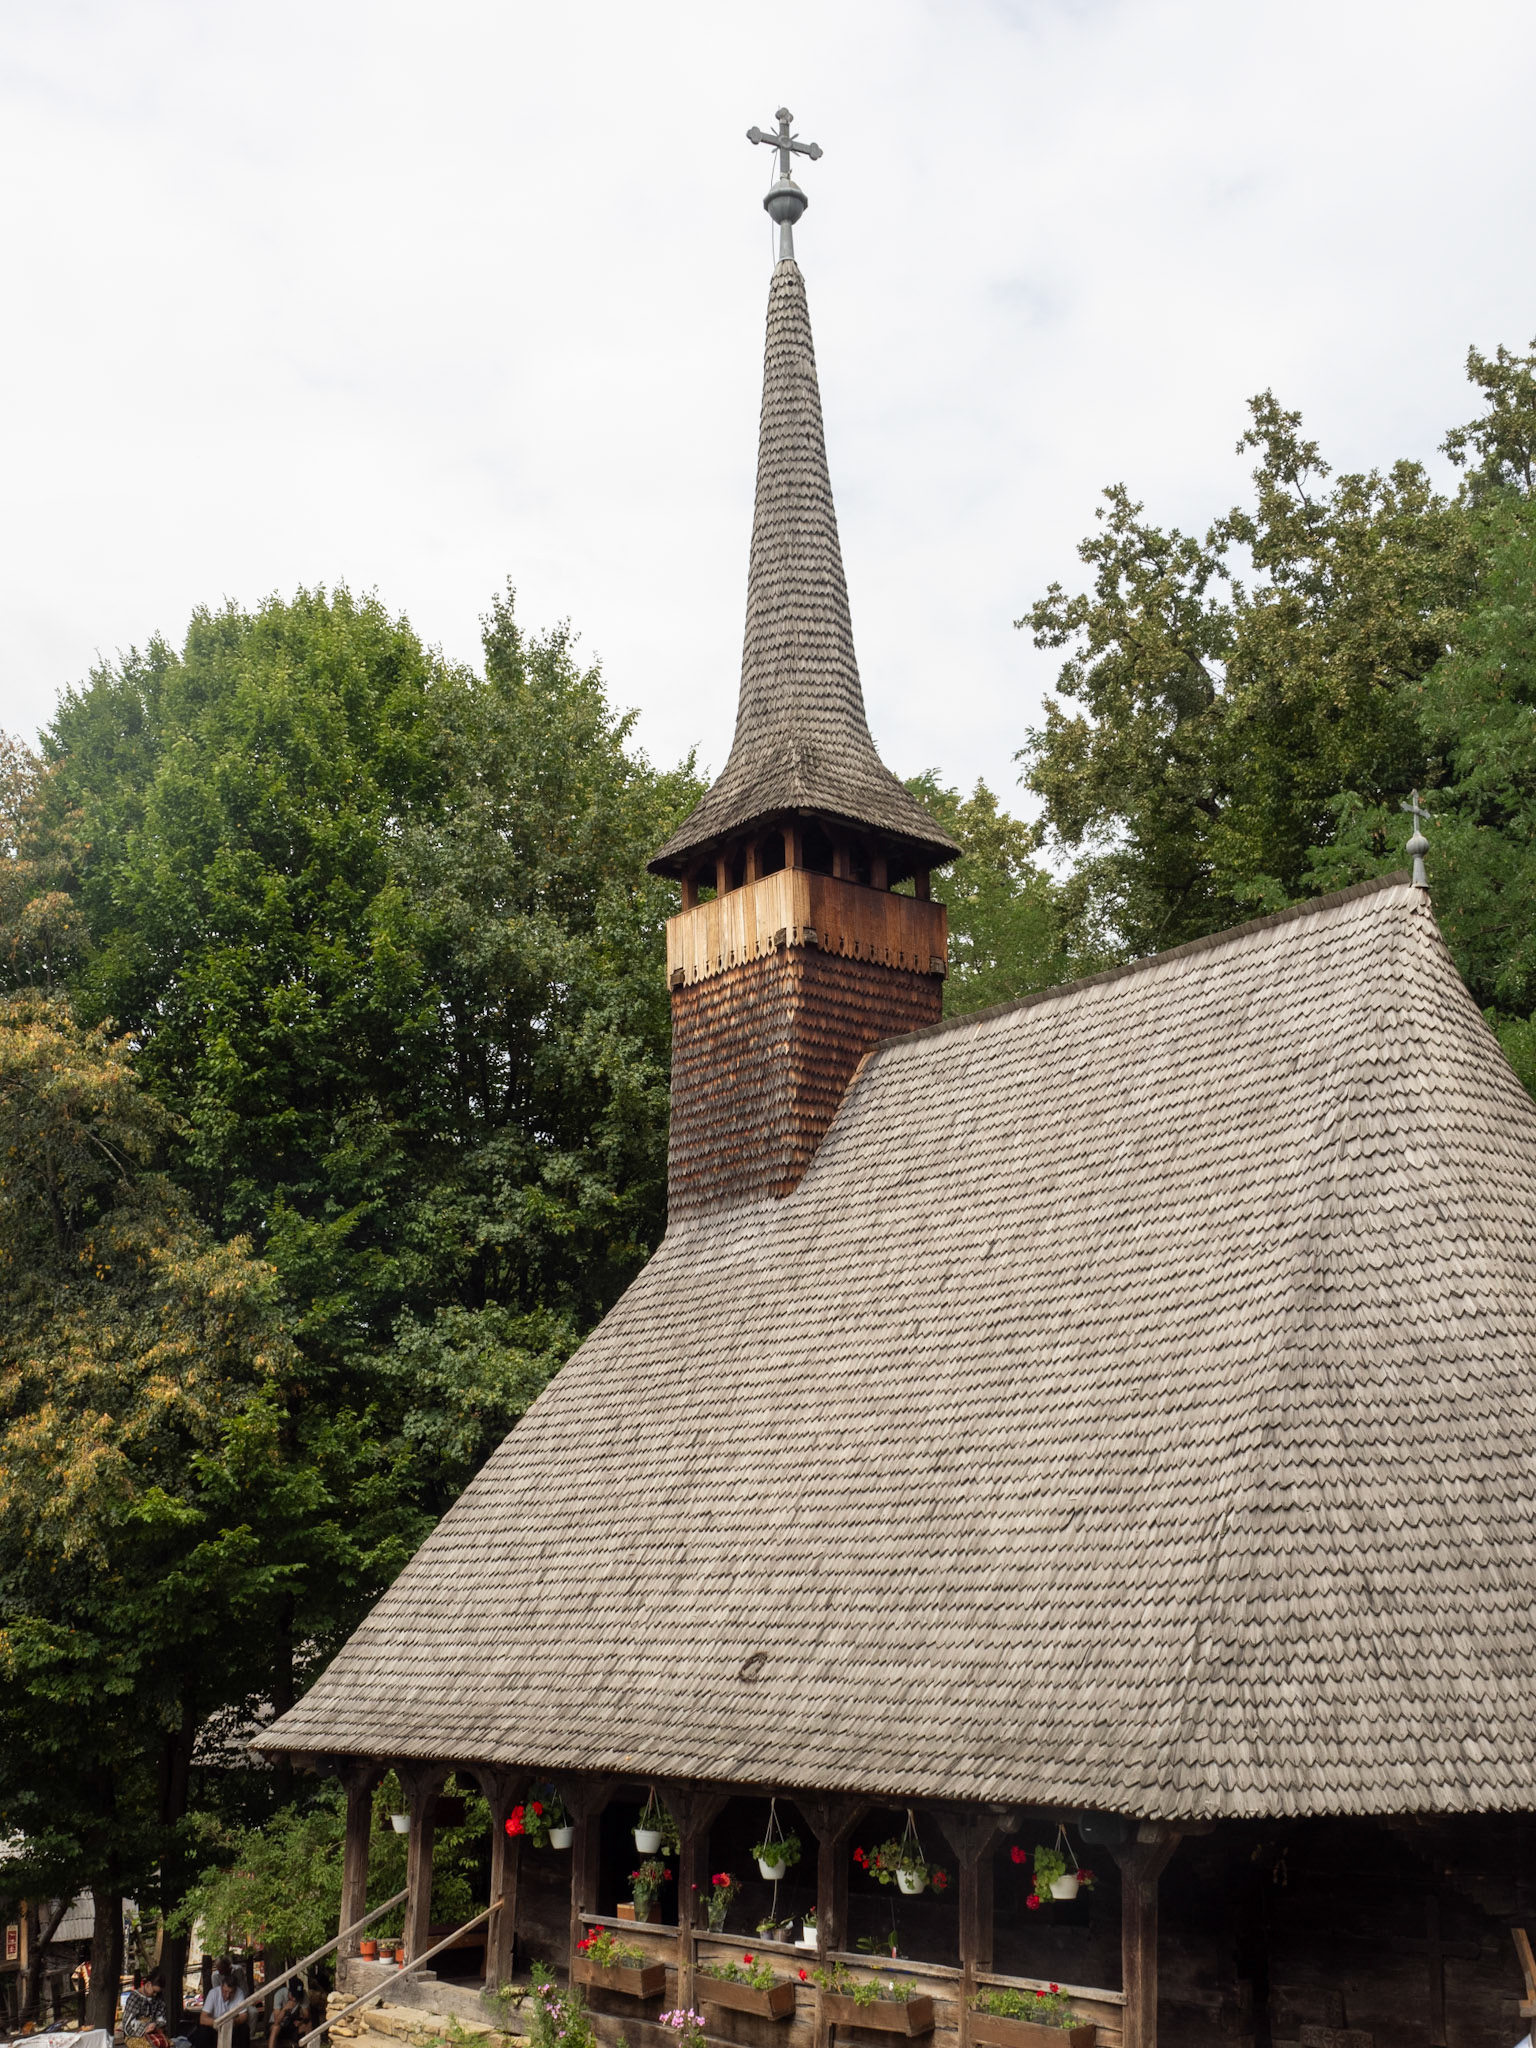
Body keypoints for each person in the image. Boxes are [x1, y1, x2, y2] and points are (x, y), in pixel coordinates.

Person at [123, 1970, 168, 2041]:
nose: (155, 1995)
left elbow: (162, 2018)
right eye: (154, 1991)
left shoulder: (159, 1998)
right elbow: (127, 2026)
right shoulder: (135, 1998)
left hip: (155, 2036)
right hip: (136, 2038)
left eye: (158, 1993)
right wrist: (145, 2028)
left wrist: (155, 2025)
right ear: (148, 1984)